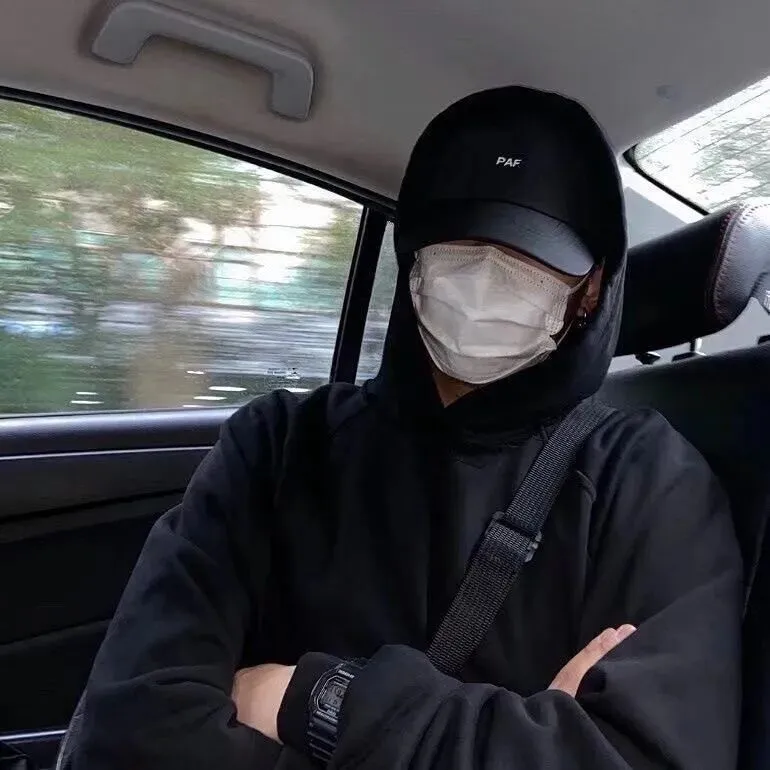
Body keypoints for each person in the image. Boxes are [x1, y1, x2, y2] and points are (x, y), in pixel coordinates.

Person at [62, 86, 741, 770]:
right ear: (413, 256)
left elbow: (650, 757)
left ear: (591, 287)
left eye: (529, 256)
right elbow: (129, 730)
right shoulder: (276, 444)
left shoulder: (645, 481)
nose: (483, 279)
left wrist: (311, 699)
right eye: (459, 243)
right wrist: (520, 737)